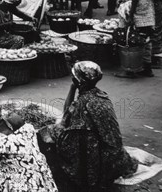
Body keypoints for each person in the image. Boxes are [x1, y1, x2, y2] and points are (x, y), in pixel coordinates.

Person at [39, 62, 138, 192]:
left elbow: (65, 119)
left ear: (78, 81)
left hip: (95, 153)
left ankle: (63, 174)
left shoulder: (81, 103)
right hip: (113, 152)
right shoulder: (101, 96)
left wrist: (72, 88)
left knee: (46, 134)